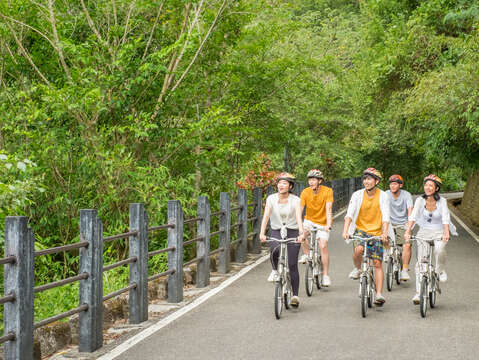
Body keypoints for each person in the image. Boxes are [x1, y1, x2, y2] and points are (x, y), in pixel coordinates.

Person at [342, 168, 393, 305]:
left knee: (377, 263)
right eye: (365, 179)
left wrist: (384, 233)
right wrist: (346, 230)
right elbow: (350, 214)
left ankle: (379, 294)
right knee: (358, 250)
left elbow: (386, 216)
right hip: (361, 230)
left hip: (377, 232)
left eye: (370, 179)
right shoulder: (357, 195)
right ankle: (358, 269)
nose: (366, 181)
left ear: (376, 181)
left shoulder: (383, 196)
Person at [404, 174, 457, 304]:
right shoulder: (420, 200)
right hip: (424, 232)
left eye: (431, 185)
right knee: (421, 263)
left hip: (439, 231)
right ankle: (418, 293)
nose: (427, 187)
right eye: (426, 185)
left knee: (439, 250)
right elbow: (413, 217)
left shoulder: (442, 201)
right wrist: (408, 231)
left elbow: (445, 218)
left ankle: (439, 270)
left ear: (436, 188)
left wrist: (446, 233)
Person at [260, 172, 305, 307]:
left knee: (292, 264)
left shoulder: (295, 200)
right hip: (276, 230)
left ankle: (295, 295)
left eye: (284, 183)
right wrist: (262, 233)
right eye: (280, 183)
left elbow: (298, 216)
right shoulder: (271, 199)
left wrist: (301, 233)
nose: (281, 185)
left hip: (292, 231)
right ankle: (275, 271)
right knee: (274, 250)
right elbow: (266, 216)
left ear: (290, 186)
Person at [299, 169, 334, 286]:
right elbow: (299, 210)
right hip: (309, 220)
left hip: (323, 223)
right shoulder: (305, 192)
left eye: (313, 180)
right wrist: (299, 225)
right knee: (301, 236)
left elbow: (329, 209)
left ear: (319, 181)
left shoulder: (328, 191)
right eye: (310, 180)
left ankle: (325, 275)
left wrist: (328, 225)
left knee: (323, 245)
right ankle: (308, 256)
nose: (311, 182)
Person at [386, 174, 413, 281]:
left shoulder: (406, 195)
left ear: (400, 185)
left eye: (395, 184)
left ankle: (404, 270)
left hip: (403, 224)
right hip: (389, 224)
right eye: (391, 184)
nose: (392, 186)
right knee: (381, 238)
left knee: (407, 245)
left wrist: (409, 227)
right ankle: (387, 254)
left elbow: (410, 209)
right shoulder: (386, 194)